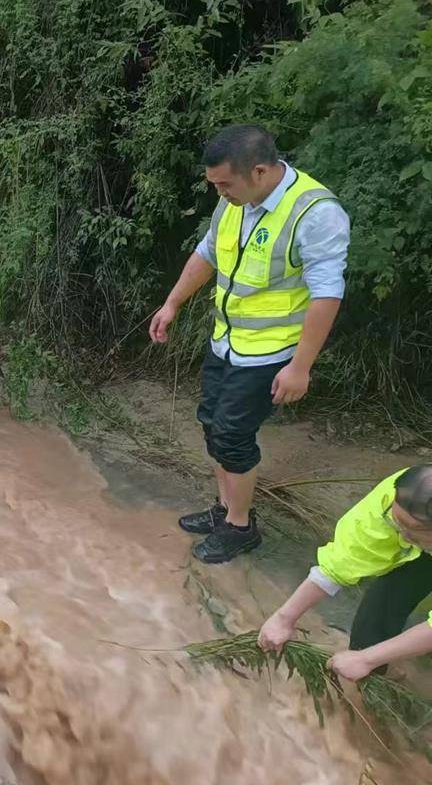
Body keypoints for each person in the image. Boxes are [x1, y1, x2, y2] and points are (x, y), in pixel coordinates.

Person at [149, 125, 350, 563]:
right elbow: (207, 254)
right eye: (215, 185)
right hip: (226, 341)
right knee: (211, 424)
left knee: (234, 436)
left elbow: (327, 294)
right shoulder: (233, 203)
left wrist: (301, 367)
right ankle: (225, 510)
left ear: (259, 171)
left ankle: (240, 527)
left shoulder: (314, 212)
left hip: (270, 352)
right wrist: (172, 303)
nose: (220, 193)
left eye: (225, 184)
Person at [258, 466, 432, 680]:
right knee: (372, 626)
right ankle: (383, 677)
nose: (403, 539)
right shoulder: (393, 499)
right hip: (421, 550)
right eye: (397, 525)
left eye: (412, 535)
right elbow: (342, 561)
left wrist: (366, 659)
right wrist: (283, 618)